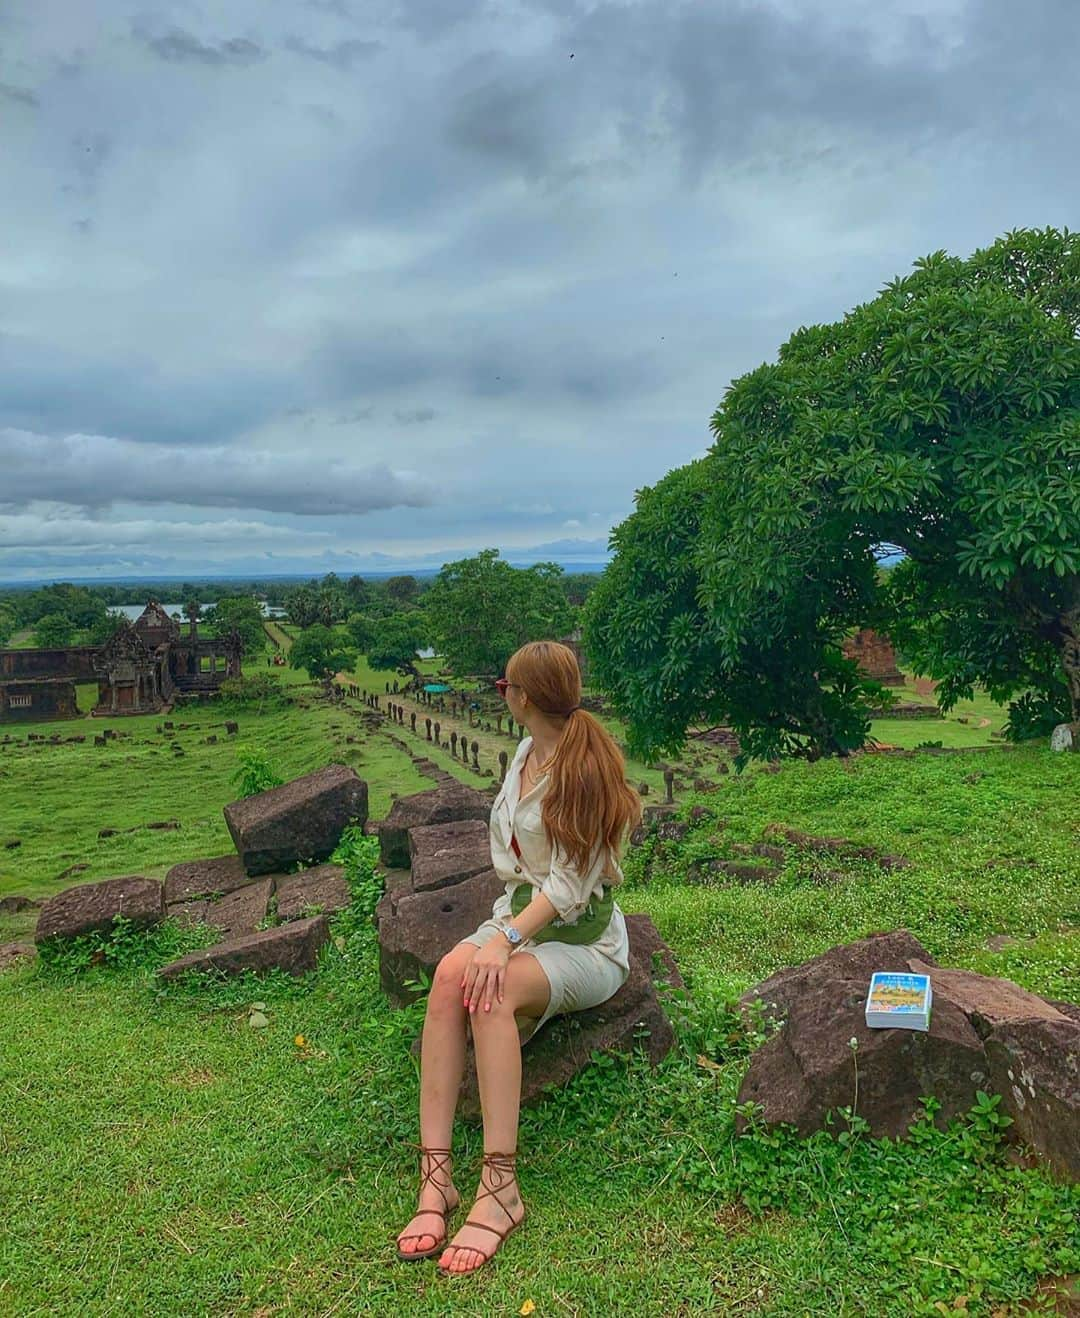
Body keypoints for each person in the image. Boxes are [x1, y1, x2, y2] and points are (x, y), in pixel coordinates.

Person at [395, 640, 643, 1276]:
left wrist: (504, 944)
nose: (500, 691)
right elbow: (519, 873)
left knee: (491, 991)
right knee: (450, 977)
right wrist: (501, 936)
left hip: (584, 943)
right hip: (522, 923)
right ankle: (437, 1177)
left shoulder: (583, 772)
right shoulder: (529, 753)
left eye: (504, 684)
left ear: (523, 696)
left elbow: (566, 887)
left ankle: (500, 1187)